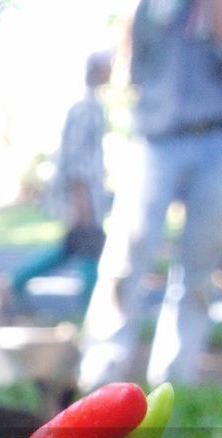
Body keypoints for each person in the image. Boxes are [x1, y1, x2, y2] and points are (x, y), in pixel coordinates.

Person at [78, 0, 222, 389]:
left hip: (215, 137)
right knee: (126, 256)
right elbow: (129, 64)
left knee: (199, 267)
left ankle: (176, 382)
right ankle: (100, 372)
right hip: (154, 139)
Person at [9, 52, 112, 313]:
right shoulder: (85, 109)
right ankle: (88, 312)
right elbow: (76, 159)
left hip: (88, 197)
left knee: (71, 249)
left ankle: (16, 283)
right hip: (83, 198)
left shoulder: (91, 106)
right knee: (89, 252)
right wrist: (81, 201)